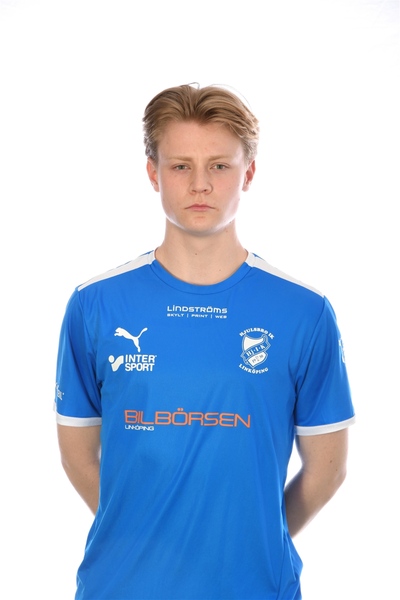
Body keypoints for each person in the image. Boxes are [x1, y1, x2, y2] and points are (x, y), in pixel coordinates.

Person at [55, 83, 355, 600]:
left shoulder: (304, 312)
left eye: (219, 165)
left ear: (249, 173)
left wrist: (249, 541)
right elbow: (78, 457)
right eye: (180, 166)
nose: (200, 184)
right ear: (153, 173)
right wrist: (148, 536)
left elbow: (327, 470)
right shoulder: (95, 304)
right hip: (120, 588)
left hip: (255, 588)